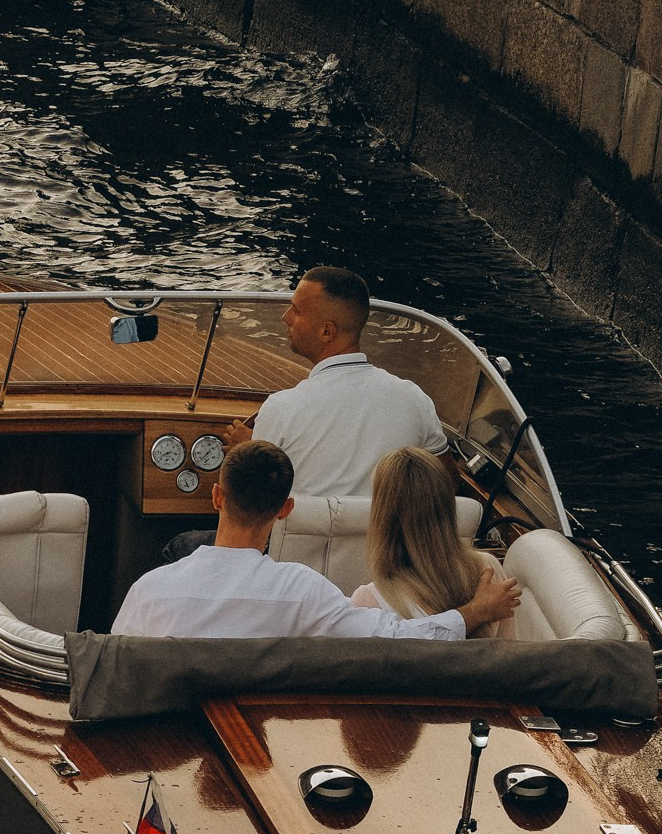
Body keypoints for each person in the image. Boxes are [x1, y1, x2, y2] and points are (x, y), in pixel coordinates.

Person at [113, 440, 520, 640]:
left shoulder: (150, 591)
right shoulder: (304, 593)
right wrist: (471, 614)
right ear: (286, 508)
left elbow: (115, 669)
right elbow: (398, 640)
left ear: (217, 496)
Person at [221, 265, 445, 498]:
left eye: (296, 311)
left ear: (327, 332)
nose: (285, 317)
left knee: (186, 537)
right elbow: (445, 482)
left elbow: (253, 505)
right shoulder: (415, 400)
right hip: (384, 534)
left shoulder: (281, 410)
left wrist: (246, 453)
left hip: (297, 534)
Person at [350, 446, 516, 640]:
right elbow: (511, 654)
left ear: (382, 517)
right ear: (447, 507)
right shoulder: (489, 569)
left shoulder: (368, 601)